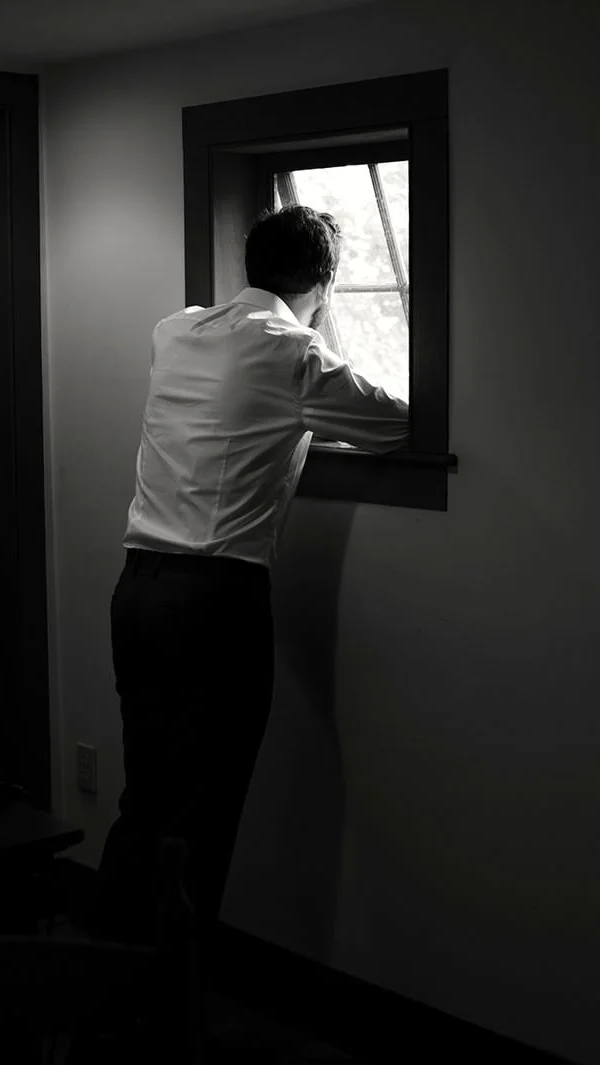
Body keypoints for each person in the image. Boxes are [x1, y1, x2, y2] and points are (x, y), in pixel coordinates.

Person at [75, 205, 408, 1055]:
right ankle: (168, 1015)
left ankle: (93, 995)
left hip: (138, 584)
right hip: (214, 600)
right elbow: (394, 418)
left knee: (145, 800)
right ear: (324, 286)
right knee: (203, 816)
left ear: (247, 263)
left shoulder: (176, 330)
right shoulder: (294, 352)